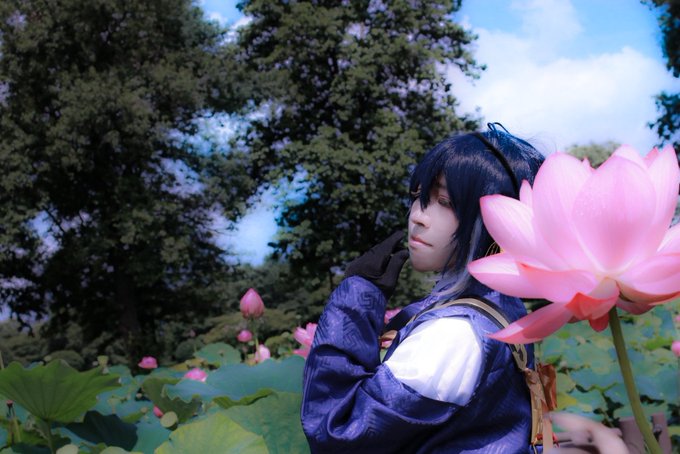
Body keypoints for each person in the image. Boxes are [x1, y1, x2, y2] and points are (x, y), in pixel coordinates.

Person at [300, 123, 546, 453]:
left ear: (498, 221)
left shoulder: (454, 333)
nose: (418, 216)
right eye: (419, 196)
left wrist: (356, 298)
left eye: (444, 201)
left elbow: (338, 433)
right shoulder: (501, 306)